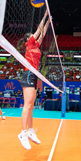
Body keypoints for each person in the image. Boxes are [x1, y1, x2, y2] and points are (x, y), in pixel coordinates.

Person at [17, 10, 51, 150]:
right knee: (27, 105)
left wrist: (49, 22)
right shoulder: (29, 44)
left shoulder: (36, 45)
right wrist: (44, 16)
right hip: (28, 74)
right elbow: (38, 31)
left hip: (34, 75)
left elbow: (42, 34)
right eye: (32, 36)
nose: (35, 37)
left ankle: (30, 130)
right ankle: (23, 133)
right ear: (28, 39)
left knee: (31, 105)